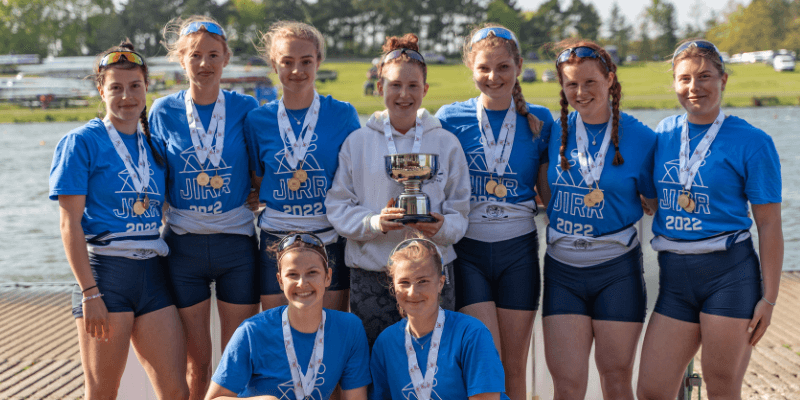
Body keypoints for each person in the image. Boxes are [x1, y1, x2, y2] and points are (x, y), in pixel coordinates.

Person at [637, 39, 783, 400]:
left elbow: (769, 225)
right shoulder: (663, 134)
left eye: (704, 76)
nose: (694, 87)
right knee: (652, 390)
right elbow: (650, 194)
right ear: (674, 83)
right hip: (675, 280)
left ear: (724, 80)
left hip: (729, 276)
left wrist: (770, 298)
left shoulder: (753, 141)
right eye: (684, 78)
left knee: (721, 388)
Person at [49, 40, 188, 399]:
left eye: (134, 86)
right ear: (101, 89)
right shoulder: (81, 142)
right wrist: (89, 292)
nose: (126, 96)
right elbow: (69, 225)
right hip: (106, 277)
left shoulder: (155, 146)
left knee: (176, 390)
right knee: (102, 392)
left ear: (146, 87)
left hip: (153, 276)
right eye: (116, 88)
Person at [325, 33, 470, 346]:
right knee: (378, 369)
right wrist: (376, 223)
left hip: (431, 275)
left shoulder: (446, 143)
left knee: (433, 366)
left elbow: (460, 212)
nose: (404, 94)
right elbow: (338, 207)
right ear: (380, 88)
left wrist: (441, 227)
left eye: (413, 86)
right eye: (395, 85)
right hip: (372, 272)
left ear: (425, 89)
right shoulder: (358, 142)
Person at [434, 24, 553, 400]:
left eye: (503, 67)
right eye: (484, 68)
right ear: (471, 67)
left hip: (518, 251)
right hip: (468, 252)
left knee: (515, 366)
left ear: (518, 66)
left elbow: (550, 191)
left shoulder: (541, 120)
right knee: (488, 361)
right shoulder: (449, 117)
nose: (493, 76)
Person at [149, 16, 261, 399]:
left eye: (213, 54)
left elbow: (268, 162)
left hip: (237, 244)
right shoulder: (161, 111)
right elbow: (150, 171)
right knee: (198, 361)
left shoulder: (248, 107)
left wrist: (259, 190)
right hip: (183, 246)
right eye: (195, 55)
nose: (204, 63)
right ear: (181, 60)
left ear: (226, 58)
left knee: (236, 359)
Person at [542, 40, 656, 400]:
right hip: (563, 270)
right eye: (571, 84)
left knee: (616, 378)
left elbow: (654, 199)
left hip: (616, 270)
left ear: (609, 79)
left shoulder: (642, 137)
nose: (580, 92)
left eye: (590, 82)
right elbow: (541, 186)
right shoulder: (553, 131)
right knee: (568, 385)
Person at [245, 21, 358, 313]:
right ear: (274, 64)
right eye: (287, 62)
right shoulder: (258, 120)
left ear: (319, 61)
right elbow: (258, 179)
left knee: (329, 333)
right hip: (274, 240)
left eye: (306, 61)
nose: (297, 70)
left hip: (328, 237)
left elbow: (356, 175)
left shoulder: (343, 114)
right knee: (277, 334)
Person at [205, 232, 371, 400]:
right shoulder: (252, 331)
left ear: (328, 277)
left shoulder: (349, 328)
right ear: (280, 281)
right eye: (292, 274)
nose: (302, 283)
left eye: (312, 272)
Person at [370, 236, 509, 400]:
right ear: (393, 286)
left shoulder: (471, 334)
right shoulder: (385, 342)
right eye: (404, 282)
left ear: (441, 283)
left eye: (423, 281)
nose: (413, 292)